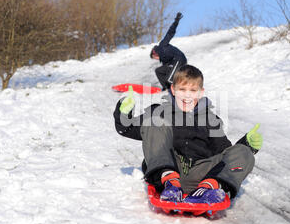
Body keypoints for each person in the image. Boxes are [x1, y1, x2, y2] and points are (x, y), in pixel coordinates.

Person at [113, 65, 263, 204]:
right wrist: (123, 113)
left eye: (193, 91)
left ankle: (207, 189)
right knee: (155, 122)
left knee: (244, 152)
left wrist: (246, 145)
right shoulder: (159, 112)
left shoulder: (211, 120)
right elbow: (127, 129)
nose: (187, 96)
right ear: (173, 90)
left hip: (200, 175)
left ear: (201, 92)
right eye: (182, 90)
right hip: (168, 170)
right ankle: (171, 183)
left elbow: (224, 152)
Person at [150, 12, 187, 91]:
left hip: (179, 59)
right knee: (158, 71)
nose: (156, 59)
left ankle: (178, 89)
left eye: (154, 57)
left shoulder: (162, 45)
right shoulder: (163, 59)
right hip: (173, 63)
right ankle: (166, 88)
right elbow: (165, 70)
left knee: (169, 79)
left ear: (154, 52)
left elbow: (170, 33)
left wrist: (176, 21)